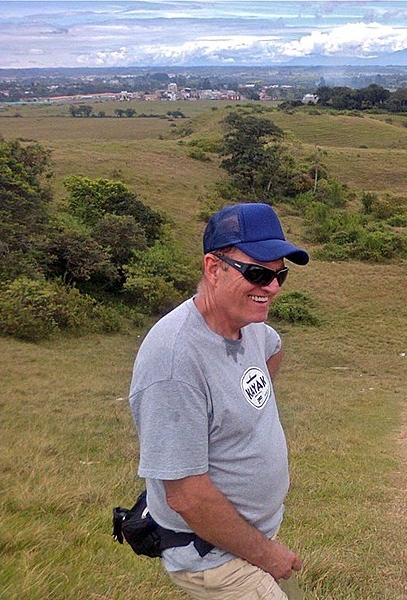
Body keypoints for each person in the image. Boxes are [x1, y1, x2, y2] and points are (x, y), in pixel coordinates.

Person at [128, 202, 308, 600]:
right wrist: (268, 554)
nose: (272, 287)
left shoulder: (250, 326)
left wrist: (251, 410)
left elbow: (274, 349)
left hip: (243, 538)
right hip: (212, 556)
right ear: (213, 268)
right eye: (258, 273)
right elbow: (187, 495)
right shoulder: (175, 362)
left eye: (280, 275)